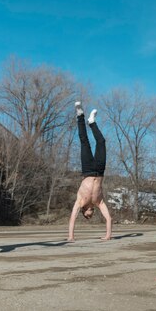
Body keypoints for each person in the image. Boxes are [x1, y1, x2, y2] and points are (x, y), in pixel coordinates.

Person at [67, 102, 112, 241]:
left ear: (84, 211)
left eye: (88, 215)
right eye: (91, 215)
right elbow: (109, 218)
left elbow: (72, 219)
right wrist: (108, 235)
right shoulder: (99, 202)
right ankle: (92, 122)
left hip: (87, 170)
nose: (90, 214)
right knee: (102, 142)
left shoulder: (79, 202)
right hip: (99, 170)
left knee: (84, 141)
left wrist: (71, 237)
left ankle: (80, 115)